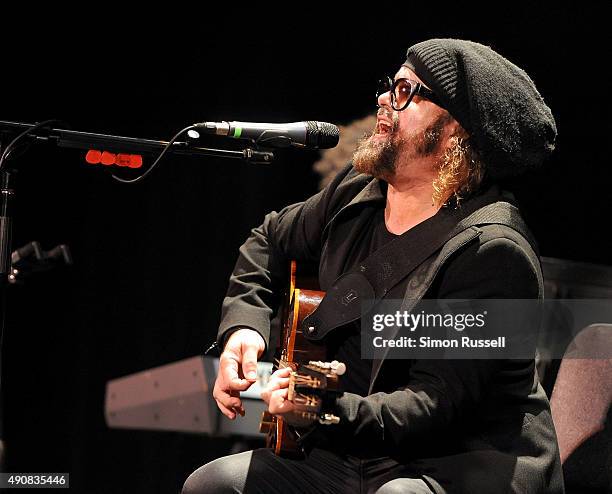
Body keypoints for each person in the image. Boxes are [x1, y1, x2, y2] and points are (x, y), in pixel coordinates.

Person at [183, 39, 564, 493]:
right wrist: (244, 331)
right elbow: (267, 241)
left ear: (456, 132)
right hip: (348, 450)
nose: (384, 99)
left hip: (453, 463)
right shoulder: (357, 190)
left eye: (406, 91)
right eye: (390, 86)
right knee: (213, 484)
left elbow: (433, 406)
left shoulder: (493, 251)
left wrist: (322, 408)